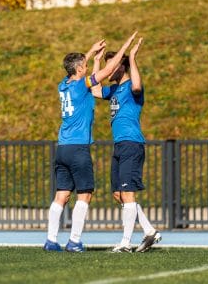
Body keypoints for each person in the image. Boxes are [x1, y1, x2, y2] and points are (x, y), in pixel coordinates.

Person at [44, 32, 139, 252]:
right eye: (84, 66)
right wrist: (124, 49)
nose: (86, 67)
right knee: (85, 193)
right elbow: (106, 72)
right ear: (79, 70)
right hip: (78, 148)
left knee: (62, 194)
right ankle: (75, 240)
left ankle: (51, 240)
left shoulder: (64, 85)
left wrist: (92, 53)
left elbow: (77, 68)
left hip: (62, 148)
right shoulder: (81, 86)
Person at [92, 37, 162, 253]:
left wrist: (132, 58)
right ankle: (149, 231)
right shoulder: (112, 90)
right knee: (118, 194)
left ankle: (125, 243)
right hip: (119, 146)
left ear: (122, 67)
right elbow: (95, 90)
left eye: (112, 65)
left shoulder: (132, 86)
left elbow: (138, 85)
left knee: (128, 194)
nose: (108, 70)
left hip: (132, 144)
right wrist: (96, 61)